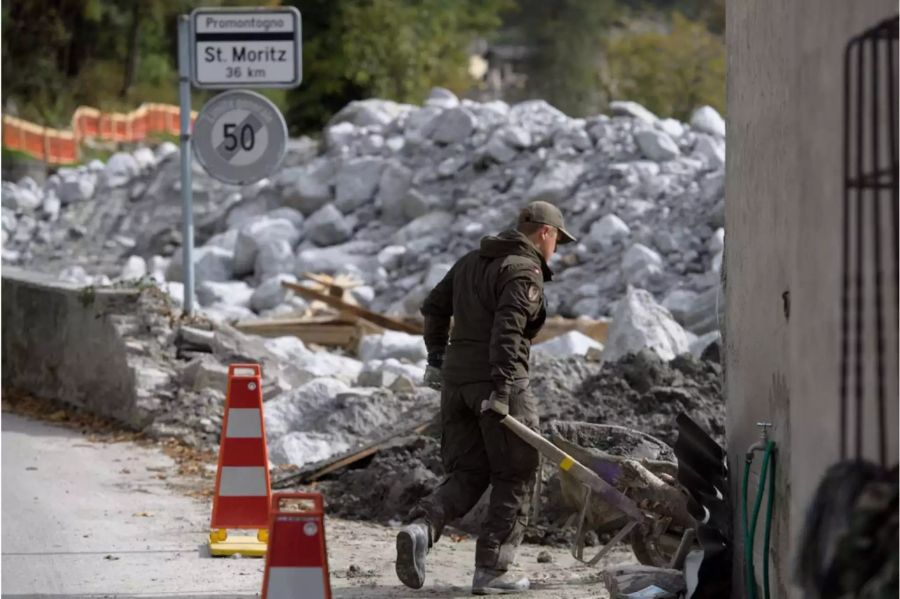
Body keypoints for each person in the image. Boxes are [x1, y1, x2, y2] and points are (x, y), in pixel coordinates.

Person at [395, 200, 576, 595]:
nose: (556, 249)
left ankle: (421, 527)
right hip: (496, 385)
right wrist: (503, 389)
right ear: (545, 232)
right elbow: (509, 331)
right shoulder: (523, 270)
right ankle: (493, 571)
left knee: (469, 472)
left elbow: (433, 307)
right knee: (518, 472)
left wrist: (438, 359)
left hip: (457, 385)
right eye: (557, 240)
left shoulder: (470, 262)